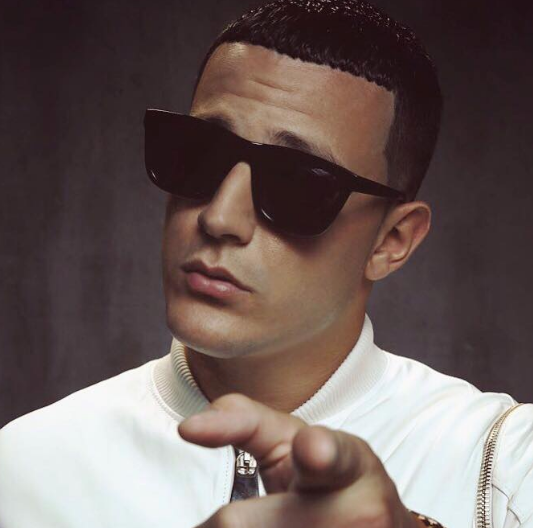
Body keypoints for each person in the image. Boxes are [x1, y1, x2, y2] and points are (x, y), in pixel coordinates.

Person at [0, 0, 531, 527]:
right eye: (198, 152)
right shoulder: (26, 468)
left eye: (297, 183)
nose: (219, 218)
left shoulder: (504, 466)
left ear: (391, 240)